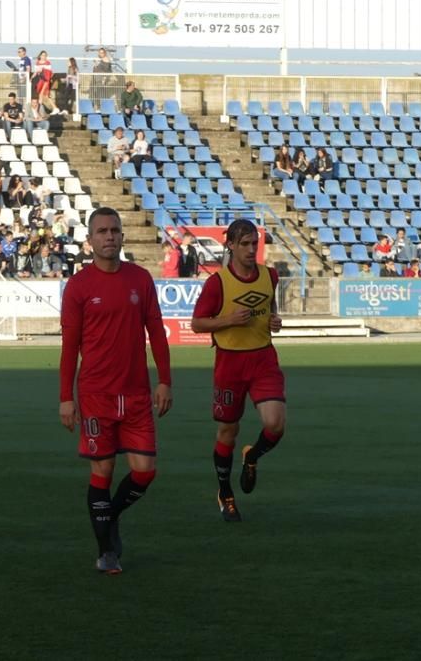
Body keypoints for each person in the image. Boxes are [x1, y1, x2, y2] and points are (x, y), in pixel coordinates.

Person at [59, 206, 172, 574]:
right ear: (90, 240)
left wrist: (164, 380)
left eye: (115, 230)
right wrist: (66, 398)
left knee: (145, 472)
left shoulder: (140, 279)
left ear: (122, 236)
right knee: (102, 473)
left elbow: (156, 332)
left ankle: (111, 517)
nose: (110, 236)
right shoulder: (79, 286)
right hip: (95, 396)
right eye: (102, 231)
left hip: (137, 394)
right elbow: (69, 347)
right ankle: (106, 551)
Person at [190, 219, 285, 523]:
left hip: (262, 359)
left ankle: (252, 455)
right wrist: (228, 320)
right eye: (244, 244)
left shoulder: (270, 276)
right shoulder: (218, 283)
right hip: (230, 363)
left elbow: (270, 311)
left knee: (275, 424)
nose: (250, 249)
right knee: (227, 431)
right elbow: (198, 323)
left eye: (254, 243)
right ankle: (225, 493)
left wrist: (275, 321)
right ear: (230, 245)